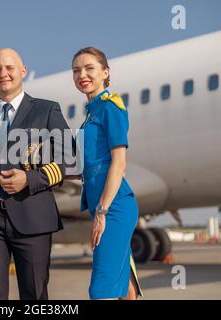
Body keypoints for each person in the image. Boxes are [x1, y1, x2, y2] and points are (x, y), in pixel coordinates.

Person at [0, 48, 74, 300]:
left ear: (22, 71)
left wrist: (29, 179)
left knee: (34, 294)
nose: (4, 74)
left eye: (10, 68)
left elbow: (69, 159)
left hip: (32, 214)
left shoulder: (46, 110)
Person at [71, 47, 143, 300]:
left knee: (101, 290)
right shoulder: (91, 113)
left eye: (89, 68)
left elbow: (118, 163)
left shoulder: (110, 107)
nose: (82, 75)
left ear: (105, 72)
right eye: (77, 70)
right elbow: (84, 168)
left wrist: (101, 211)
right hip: (105, 205)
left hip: (113, 207)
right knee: (125, 289)